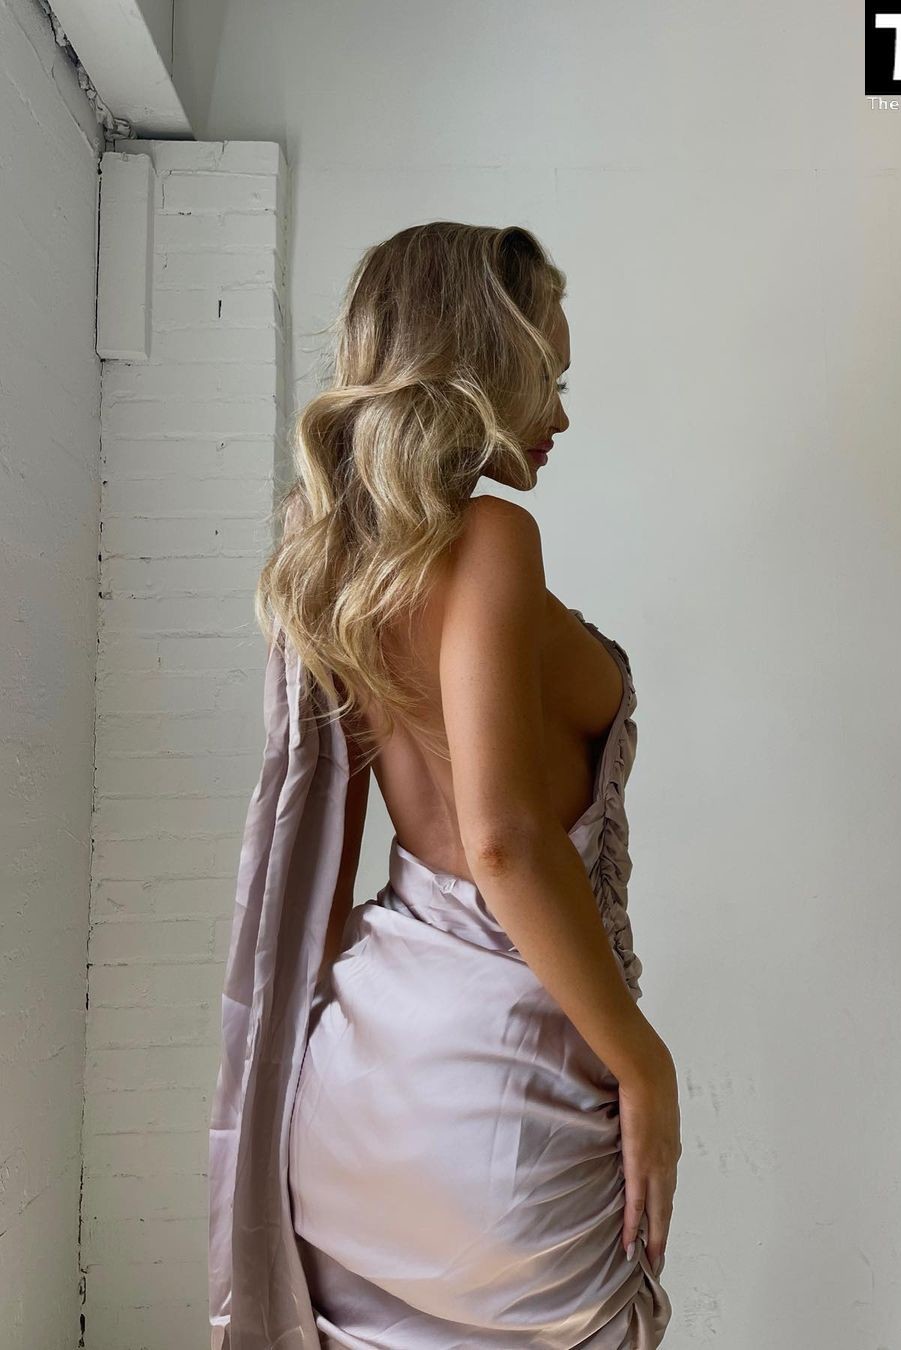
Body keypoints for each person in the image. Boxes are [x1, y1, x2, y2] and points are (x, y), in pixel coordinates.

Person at [208, 222, 681, 1348]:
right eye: (546, 376)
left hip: (361, 1075)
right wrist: (643, 1065)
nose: (560, 414)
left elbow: (325, 865)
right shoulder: (492, 540)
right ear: (480, 369)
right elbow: (502, 840)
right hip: (502, 1085)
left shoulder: (333, 557)